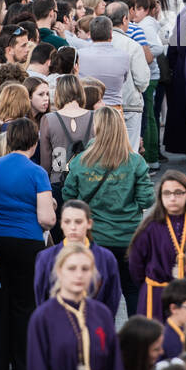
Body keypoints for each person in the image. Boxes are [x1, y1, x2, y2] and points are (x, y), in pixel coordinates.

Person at [0, 117, 57, 370]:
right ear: (34, 143)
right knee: (25, 303)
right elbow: (46, 218)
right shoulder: (37, 172)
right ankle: (23, 365)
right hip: (27, 241)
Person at [61, 107, 155, 317]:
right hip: (128, 237)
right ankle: (135, 338)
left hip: (95, 239)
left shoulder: (80, 161)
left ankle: (99, 340)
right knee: (132, 290)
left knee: (97, 294)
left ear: (97, 128)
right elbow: (147, 198)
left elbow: (68, 197)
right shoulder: (135, 161)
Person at [25, 240, 126, 370]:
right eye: (71, 268)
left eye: (85, 269)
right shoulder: (44, 317)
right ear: (59, 271)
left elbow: (115, 367)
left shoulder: (102, 314)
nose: (79, 275)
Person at [127, 172, 186, 321]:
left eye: (178, 193)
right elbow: (136, 265)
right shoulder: (150, 226)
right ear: (160, 197)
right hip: (157, 294)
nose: (172, 198)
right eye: (167, 193)